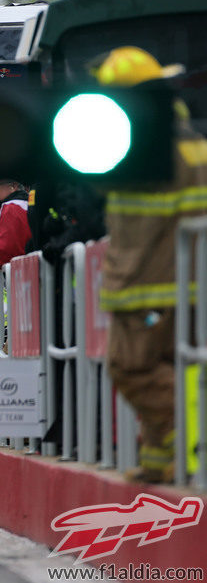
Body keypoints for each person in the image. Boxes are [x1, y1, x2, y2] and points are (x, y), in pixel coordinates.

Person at [95, 46, 207, 483]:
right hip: (187, 282)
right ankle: (163, 461)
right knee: (176, 366)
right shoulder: (192, 144)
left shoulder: (144, 149)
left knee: (134, 368)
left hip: (148, 284)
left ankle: (185, 436)